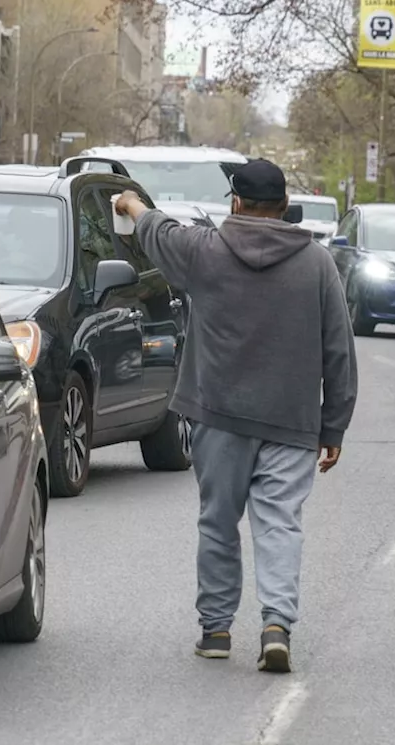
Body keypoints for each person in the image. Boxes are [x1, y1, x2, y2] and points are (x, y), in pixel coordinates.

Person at [113, 159, 359, 673]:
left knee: (219, 522)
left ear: (237, 203)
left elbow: (157, 230)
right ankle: (276, 625)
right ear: (284, 205)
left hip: (217, 417)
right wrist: (333, 424)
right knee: (280, 525)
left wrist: (131, 202)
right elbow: (339, 349)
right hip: (292, 423)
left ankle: (217, 629)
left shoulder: (205, 252)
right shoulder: (317, 264)